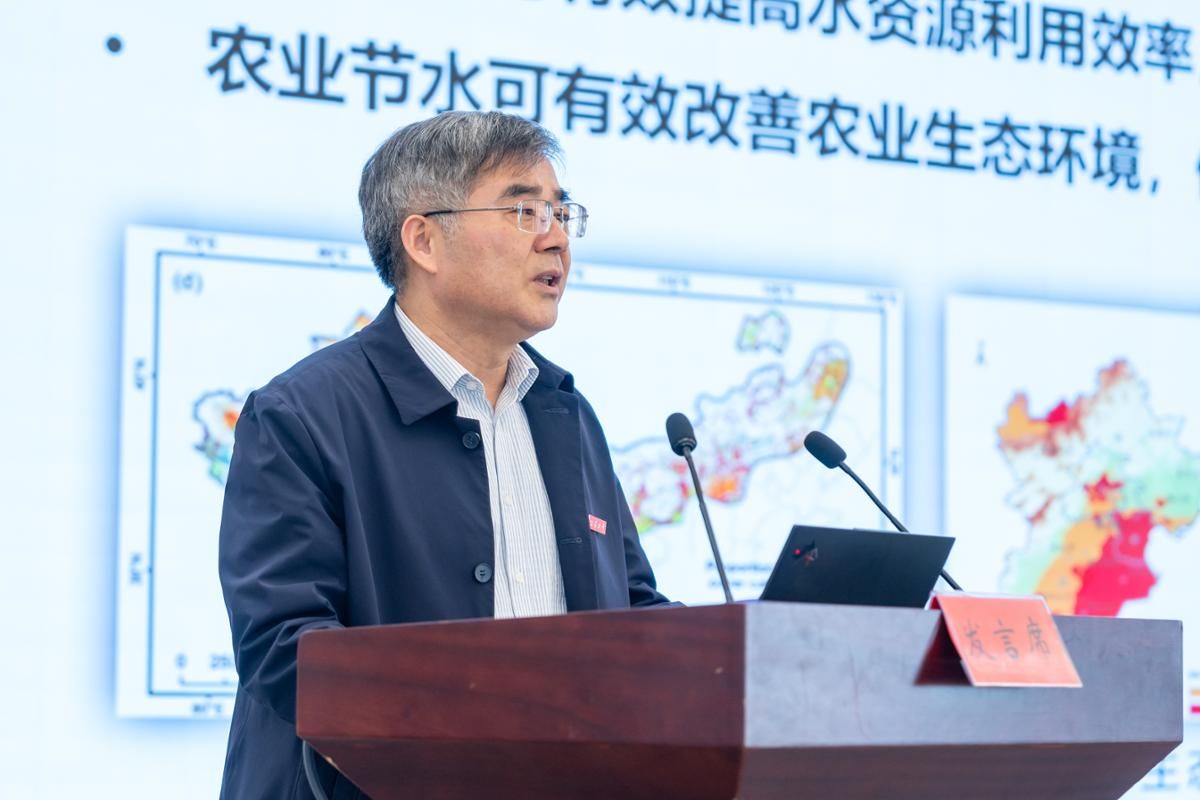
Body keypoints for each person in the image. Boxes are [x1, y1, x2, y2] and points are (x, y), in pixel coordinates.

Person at [217, 110, 674, 799]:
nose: (555, 237)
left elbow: (629, 611)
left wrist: (736, 656)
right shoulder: (302, 414)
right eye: (523, 210)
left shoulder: (565, 414)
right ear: (424, 240)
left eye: (561, 212)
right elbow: (287, 649)